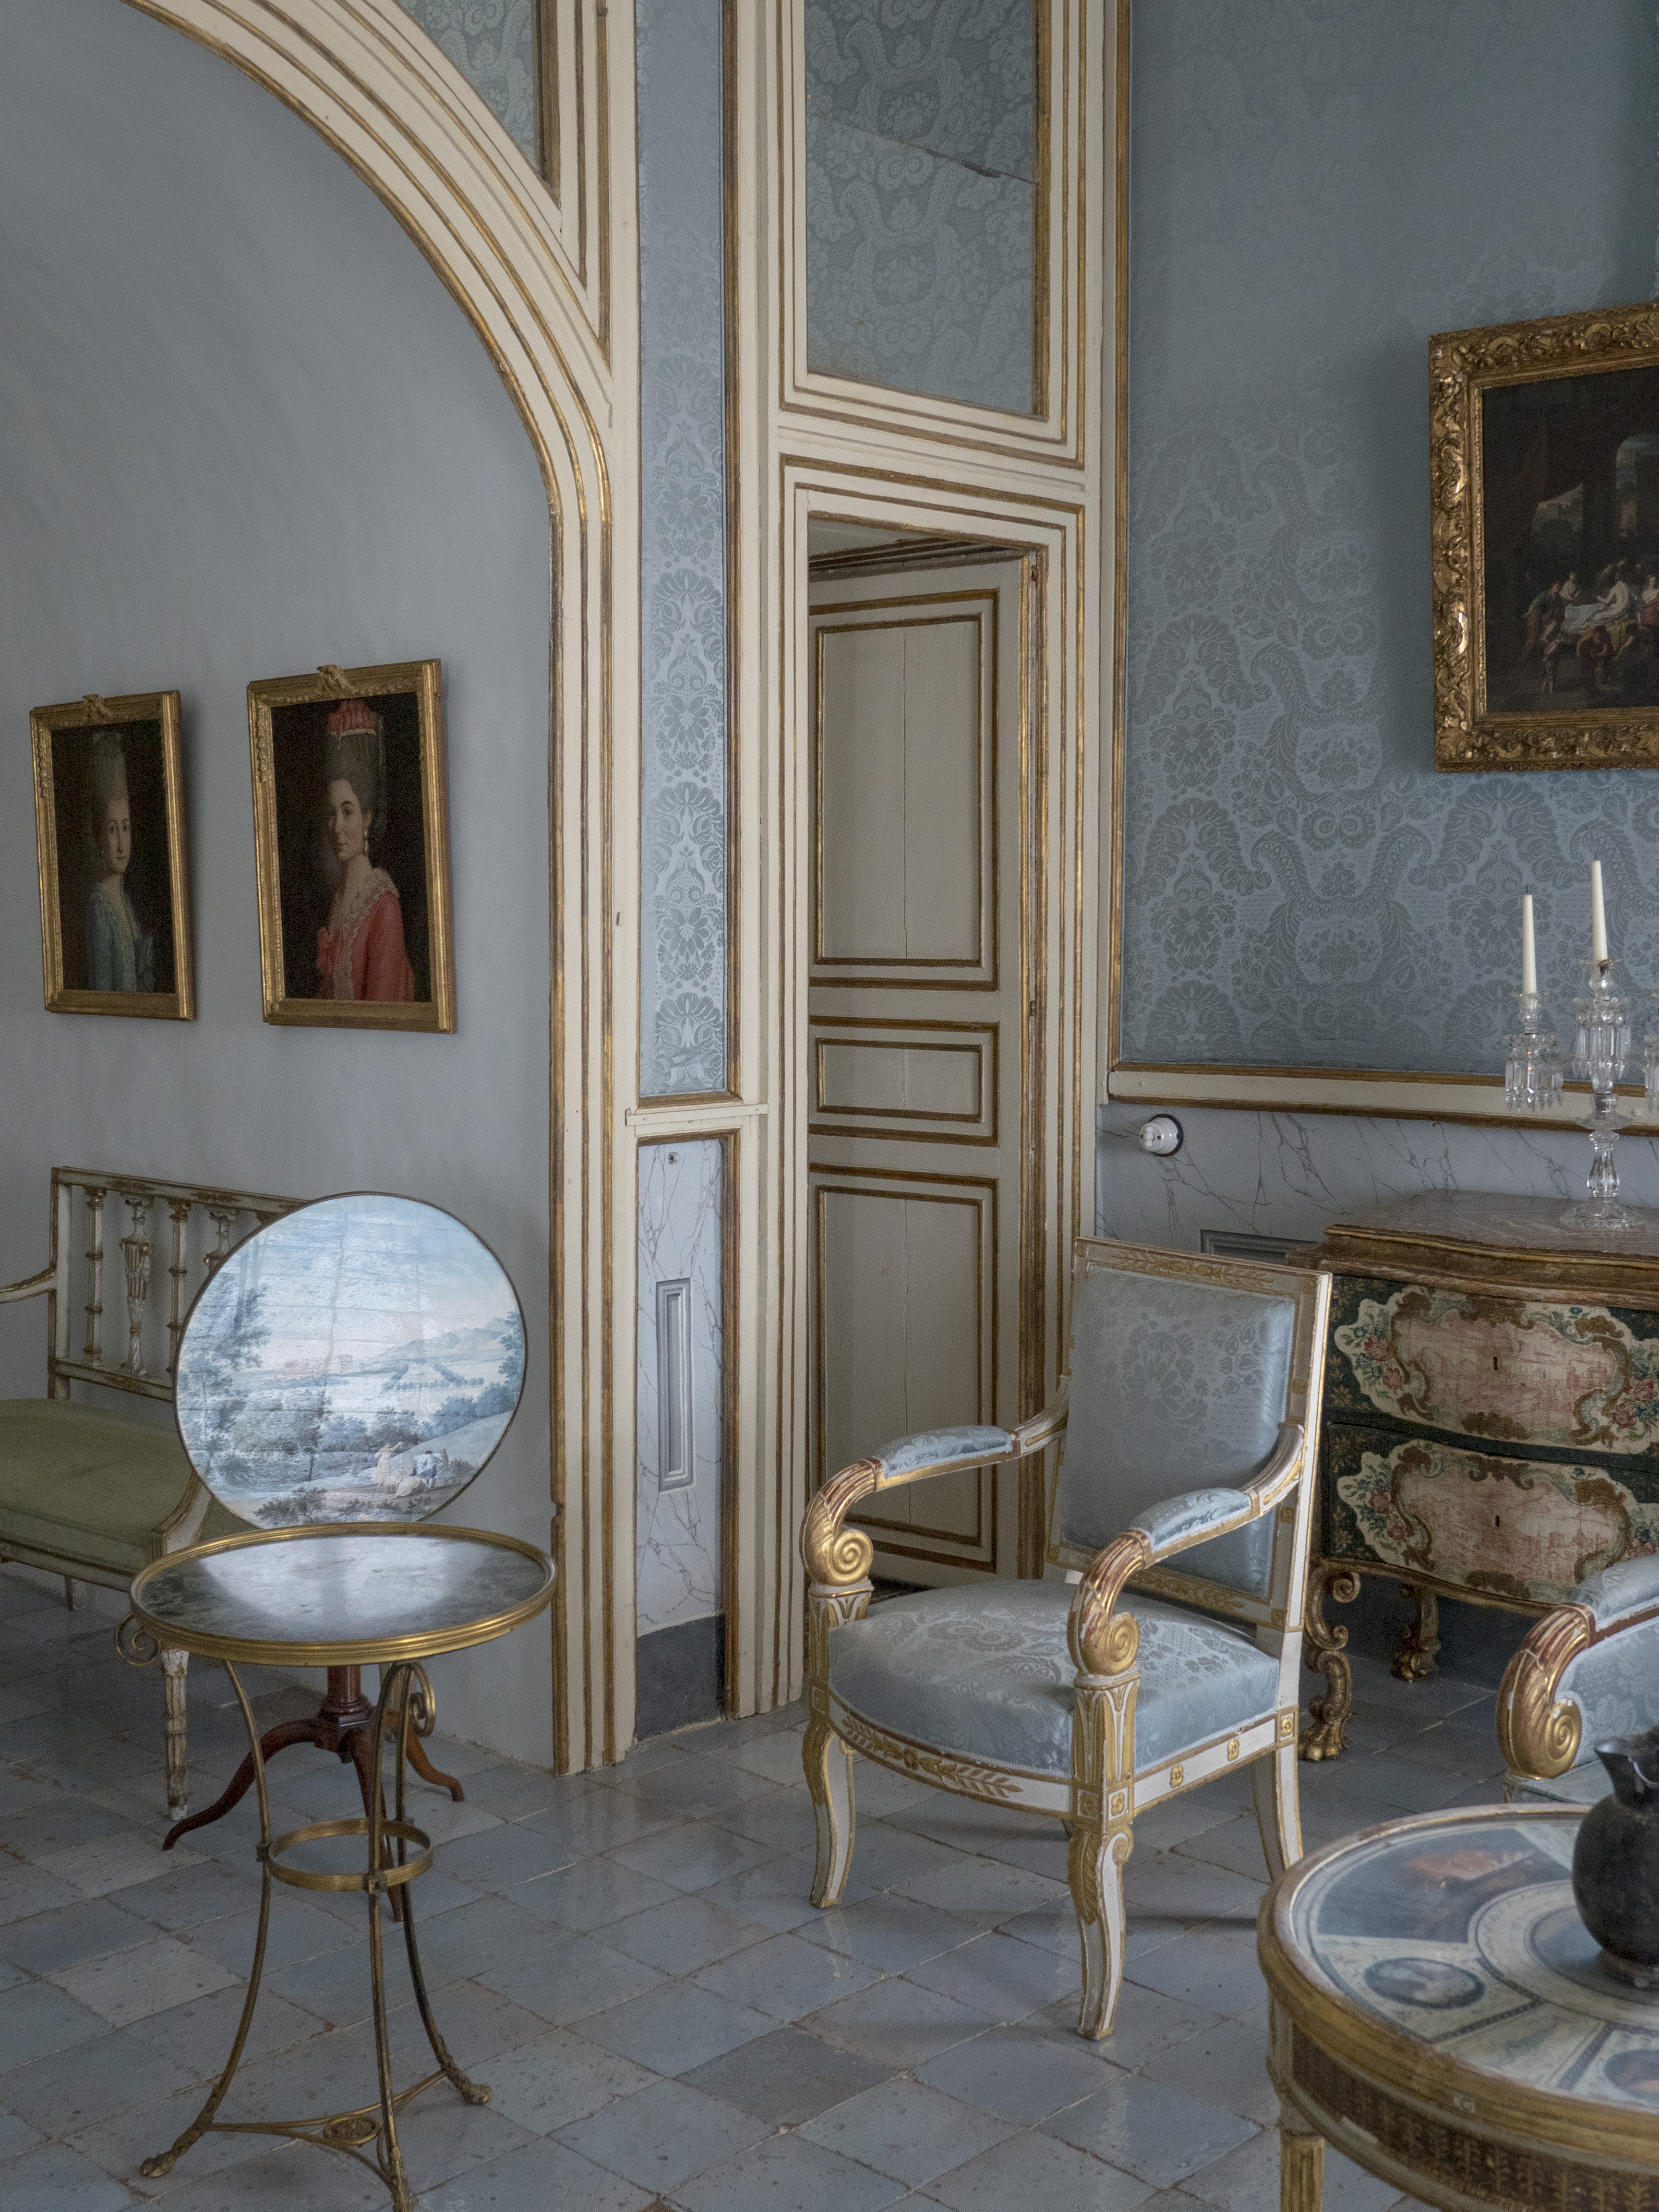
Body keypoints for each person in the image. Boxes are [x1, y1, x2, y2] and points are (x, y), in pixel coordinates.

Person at [315, 698, 415, 1002]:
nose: (337, 827)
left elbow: (382, 1009)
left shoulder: (384, 907)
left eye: (348, 812)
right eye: (332, 813)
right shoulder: (340, 900)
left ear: (368, 818)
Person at [85, 734, 155, 992]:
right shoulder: (100, 908)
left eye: (126, 828)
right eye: (112, 830)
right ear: (100, 837)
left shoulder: (125, 901)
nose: (121, 844)